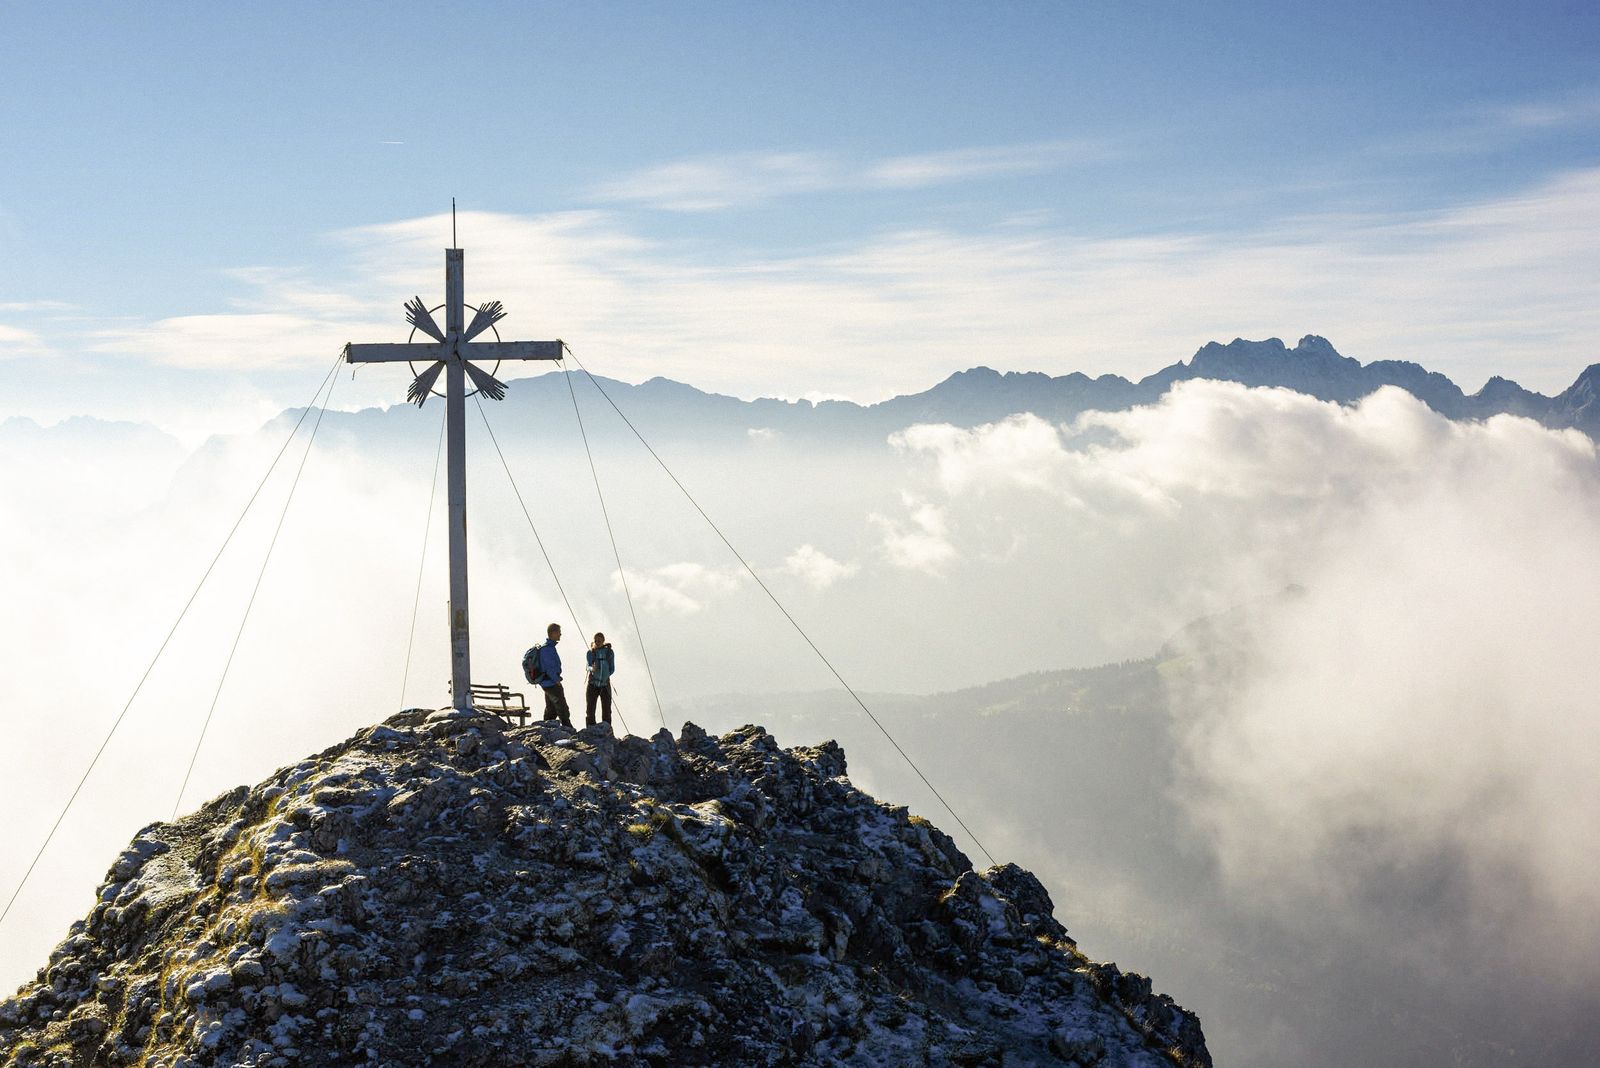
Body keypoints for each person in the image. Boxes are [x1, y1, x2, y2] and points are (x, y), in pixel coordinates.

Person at [536, 622, 571, 727]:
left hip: (547, 682)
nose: (560, 634)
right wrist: (556, 680)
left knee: (551, 708)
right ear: (553, 633)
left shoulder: (549, 647)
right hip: (551, 682)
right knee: (562, 707)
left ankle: (545, 727)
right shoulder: (547, 649)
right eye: (559, 632)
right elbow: (549, 667)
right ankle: (567, 728)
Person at [585, 632, 616, 728]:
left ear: (603, 641)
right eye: (595, 641)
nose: (597, 642)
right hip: (592, 684)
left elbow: (612, 668)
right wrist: (592, 669)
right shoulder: (590, 652)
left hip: (605, 685)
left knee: (607, 710)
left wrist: (605, 676)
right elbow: (587, 666)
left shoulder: (609, 653)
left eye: (599, 640)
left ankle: (606, 730)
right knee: (590, 710)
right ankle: (590, 730)